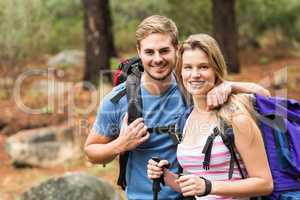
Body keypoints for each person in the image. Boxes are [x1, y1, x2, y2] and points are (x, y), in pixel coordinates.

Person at [84, 15, 270, 200]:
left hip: (193, 195)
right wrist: (120, 144)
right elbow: (91, 152)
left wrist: (230, 85)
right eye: (149, 52)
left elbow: (266, 100)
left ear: (177, 48)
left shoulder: (192, 84)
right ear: (139, 52)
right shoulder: (118, 100)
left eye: (164, 50)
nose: (157, 59)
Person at [147, 34, 273, 199]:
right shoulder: (186, 119)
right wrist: (165, 175)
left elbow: (265, 183)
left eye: (203, 67)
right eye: (188, 67)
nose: (194, 74)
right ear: (180, 72)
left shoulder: (236, 118)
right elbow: (196, 185)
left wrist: (209, 186)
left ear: (216, 69)